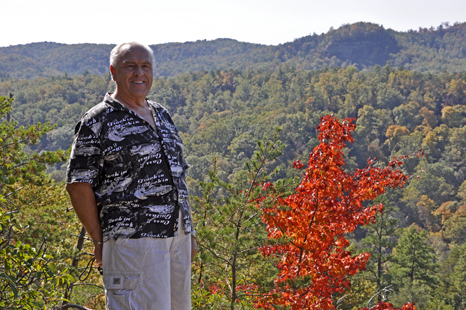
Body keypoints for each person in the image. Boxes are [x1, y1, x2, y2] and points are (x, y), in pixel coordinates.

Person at [65, 42, 197, 310]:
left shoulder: (161, 114)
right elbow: (78, 184)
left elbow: (178, 177)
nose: (139, 73)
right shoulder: (98, 120)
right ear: (114, 71)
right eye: (130, 66)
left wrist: (189, 233)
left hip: (177, 239)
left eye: (145, 66)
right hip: (132, 242)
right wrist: (98, 239)